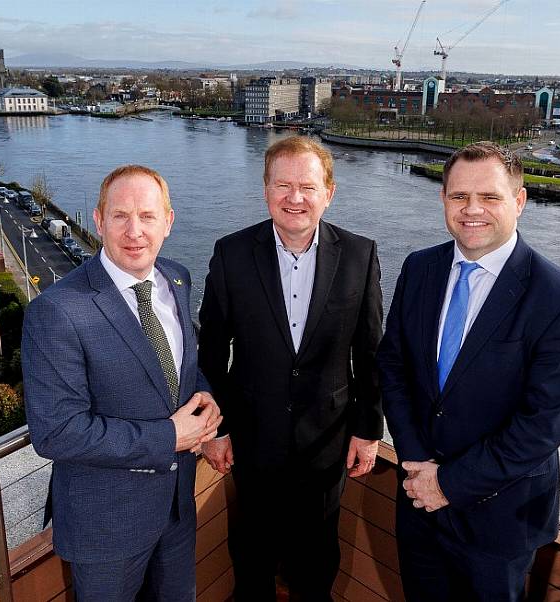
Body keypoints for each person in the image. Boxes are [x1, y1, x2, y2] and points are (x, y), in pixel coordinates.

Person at [378, 142, 560, 601]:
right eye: (459, 197)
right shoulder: (420, 268)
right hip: (418, 500)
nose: (472, 210)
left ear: (519, 201)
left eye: (490, 197)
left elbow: (542, 426)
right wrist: (417, 464)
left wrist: (447, 484)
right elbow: (393, 365)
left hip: (499, 521)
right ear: (443, 200)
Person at [23, 165, 222, 601]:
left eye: (148, 216)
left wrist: (204, 397)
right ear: (98, 220)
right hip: (107, 526)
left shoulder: (176, 278)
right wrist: (171, 435)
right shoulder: (57, 311)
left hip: (176, 510)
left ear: (168, 222)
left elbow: (179, 360)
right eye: (120, 216)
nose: (135, 231)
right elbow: (56, 432)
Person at [198, 136, 384, 602]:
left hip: (329, 443)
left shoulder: (360, 256)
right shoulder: (231, 254)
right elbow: (212, 352)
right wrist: (213, 431)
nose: (295, 198)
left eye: (307, 185)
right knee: (251, 555)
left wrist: (367, 430)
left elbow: (370, 352)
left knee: (318, 561)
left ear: (329, 192)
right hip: (252, 439)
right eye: (283, 185)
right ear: (265, 190)